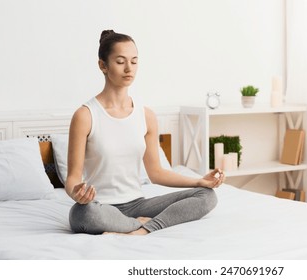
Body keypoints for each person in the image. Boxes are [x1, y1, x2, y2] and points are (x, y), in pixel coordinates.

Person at [66, 30, 224, 235]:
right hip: (100, 207)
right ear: (103, 65)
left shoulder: (146, 115)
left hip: (137, 205)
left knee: (207, 196)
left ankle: (143, 228)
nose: (128, 68)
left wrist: (199, 181)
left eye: (134, 61)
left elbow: (156, 173)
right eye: (120, 61)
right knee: (81, 215)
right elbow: (72, 178)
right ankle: (134, 224)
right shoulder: (85, 115)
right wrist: (77, 194)